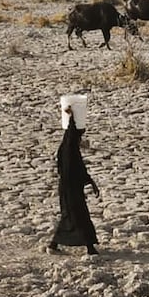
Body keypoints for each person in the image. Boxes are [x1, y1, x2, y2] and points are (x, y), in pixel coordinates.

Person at [49, 107, 100, 255]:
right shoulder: (69, 148)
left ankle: (55, 244)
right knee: (75, 215)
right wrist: (72, 117)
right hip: (69, 189)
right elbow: (71, 134)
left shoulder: (68, 149)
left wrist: (91, 182)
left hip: (71, 188)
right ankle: (89, 247)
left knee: (73, 215)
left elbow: (79, 168)